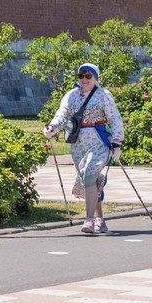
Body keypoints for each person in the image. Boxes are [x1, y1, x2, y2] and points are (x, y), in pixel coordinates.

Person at [47, 62, 126, 236]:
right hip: (78, 144)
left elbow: (115, 119)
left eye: (88, 76)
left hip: (98, 142)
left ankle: (88, 220)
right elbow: (62, 114)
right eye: (81, 76)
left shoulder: (103, 95)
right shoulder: (71, 96)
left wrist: (117, 142)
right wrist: (52, 128)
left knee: (90, 174)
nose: (84, 79)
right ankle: (100, 220)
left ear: (95, 78)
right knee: (89, 179)